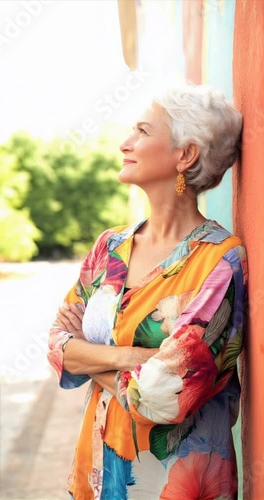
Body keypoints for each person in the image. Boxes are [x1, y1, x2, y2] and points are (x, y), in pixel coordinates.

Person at [48, 83, 247, 500]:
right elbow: (56, 347)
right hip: (99, 473)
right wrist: (136, 359)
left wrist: (88, 356)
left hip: (176, 483)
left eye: (141, 130)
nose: (126, 143)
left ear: (185, 154)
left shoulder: (221, 262)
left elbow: (162, 399)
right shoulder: (110, 246)